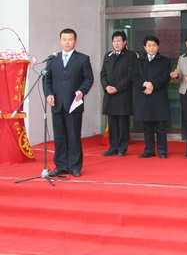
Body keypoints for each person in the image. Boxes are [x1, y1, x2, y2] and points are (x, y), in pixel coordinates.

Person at [44, 28, 94, 177]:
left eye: (70, 39)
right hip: (57, 104)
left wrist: (82, 91)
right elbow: (47, 79)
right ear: (60, 41)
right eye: (64, 39)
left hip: (74, 104)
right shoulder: (53, 59)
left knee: (73, 136)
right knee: (59, 137)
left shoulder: (83, 59)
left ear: (75, 41)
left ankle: (75, 166)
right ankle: (61, 166)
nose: (67, 42)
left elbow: (88, 79)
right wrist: (49, 94)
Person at [134, 35, 171, 159]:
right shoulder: (139, 61)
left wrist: (152, 85)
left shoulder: (165, 61)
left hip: (159, 96)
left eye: (154, 45)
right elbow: (134, 77)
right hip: (144, 96)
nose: (151, 48)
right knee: (147, 125)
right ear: (145, 47)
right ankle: (149, 150)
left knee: (161, 126)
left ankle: (162, 151)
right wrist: (145, 84)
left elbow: (165, 78)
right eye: (149, 45)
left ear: (158, 47)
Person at [100, 31, 136, 157]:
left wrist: (117, 88)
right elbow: (103, 74)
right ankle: (113, 147)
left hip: (123, 94)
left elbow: (130, 76)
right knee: (112, 122)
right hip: (109, 94)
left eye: (119, 41)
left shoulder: (131, 55)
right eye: (114, 41)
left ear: (125, 42)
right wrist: (106, 86)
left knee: (122, 122)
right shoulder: (108, 55)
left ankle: (122, 147)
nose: (116, 43)